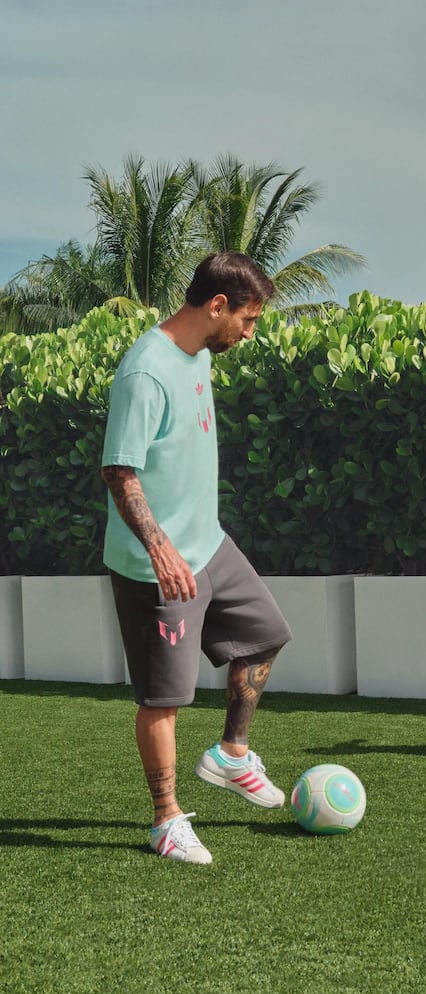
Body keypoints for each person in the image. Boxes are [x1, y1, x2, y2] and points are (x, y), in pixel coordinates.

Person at [101, 251, 292, 864]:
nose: (249, 332)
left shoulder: (201, 354)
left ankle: (231, 754)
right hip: (158, 565)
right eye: (249, 319)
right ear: (217, 306)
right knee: (163, 698)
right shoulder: (145, 372)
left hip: (210, 543)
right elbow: (119, 470)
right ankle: (166, 821)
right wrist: (160, 548)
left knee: (266, 635)